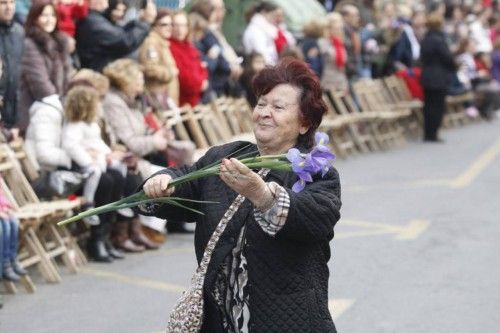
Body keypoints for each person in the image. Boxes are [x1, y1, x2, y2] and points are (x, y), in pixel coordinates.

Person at [141, 58, 341, 332]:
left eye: (278, 107)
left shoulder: (317, 173)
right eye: (261, 104)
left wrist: (263, 196)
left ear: (304, 123)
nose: (264, 113)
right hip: (219, 321)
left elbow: (314, 217)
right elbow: (185, 180)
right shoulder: (226, 156)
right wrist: (163, 182)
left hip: (289, 322)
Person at [18, 0, 73, 132]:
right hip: (39, 110)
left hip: (58, 106)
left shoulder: (60, 42)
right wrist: (59, 107)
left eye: (53, 15)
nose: (50, 20)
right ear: (35, 18)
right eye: (44, 15)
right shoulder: (29, 44)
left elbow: (68, 76)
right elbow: (39, 83)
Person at [75, 0, 156, 72]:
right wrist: (146, 22)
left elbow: (119, 32)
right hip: (99, 78)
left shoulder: (98, 19)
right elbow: (124, 42)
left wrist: (138, 23)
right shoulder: (92, 21)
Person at [420, 12, 456, 142]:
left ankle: (427, 132)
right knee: (437, 106)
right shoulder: (439, 40)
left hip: (427, 75)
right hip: (439, 76)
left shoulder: (425, 39)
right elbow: (447, 58)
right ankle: (433, 133)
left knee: (428, 105)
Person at [138, 8, 180, 107]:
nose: (169, 28)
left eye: (171, 24)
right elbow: (150, 69)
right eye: (164, 24)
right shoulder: (151, 42)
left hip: (167, 100)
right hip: (157, 100)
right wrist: (170, 73)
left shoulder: (162, 42)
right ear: (154, 26)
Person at [169, 10, 208, 106]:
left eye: (183, 25)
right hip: (182, 102)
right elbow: (183, 77)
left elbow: (202, 69)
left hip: (195, 100)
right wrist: (199, 84)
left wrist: (203, 81)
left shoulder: (190, 47)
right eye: (176, 25)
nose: (179, 29)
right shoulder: (169, 47)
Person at [0, 0, 24, 134]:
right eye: (3, 3)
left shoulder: (19, 32)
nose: (9, 7)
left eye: (12, 2)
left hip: (15, 112)